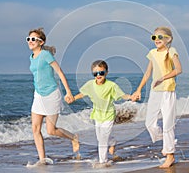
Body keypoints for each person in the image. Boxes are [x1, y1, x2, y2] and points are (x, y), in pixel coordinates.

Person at [26, 28, 79, 164]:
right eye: (29, 39)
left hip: (51, 95)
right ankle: (42, 159)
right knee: (35, 129)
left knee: (51, 130)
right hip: (38, 95)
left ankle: (73, 137)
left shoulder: (45, 55)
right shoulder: (31, 57)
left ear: (41, 42)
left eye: (33, 39)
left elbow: (60, 73)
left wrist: (68, 92)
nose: (30, 41)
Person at [132, 26, 182, 168]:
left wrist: (162, 78)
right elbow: (147, 73)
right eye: (154, 37)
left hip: (167, 91)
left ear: (168, 39)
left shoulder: (171, 51)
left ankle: (170, 154)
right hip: (155, 92)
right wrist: (138, 90)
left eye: (160, 37)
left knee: (168, 124)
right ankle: (168, 143)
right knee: (149, 123)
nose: (156, 40)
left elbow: (179, 69)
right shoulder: (152, 53)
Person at [67, 60, 132, 166]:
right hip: (97, 115)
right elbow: (82, 93)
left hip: (109, 115)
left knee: (102, 139)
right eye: (95, 73)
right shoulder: (90, 84)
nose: (98, 75)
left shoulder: (111, 86)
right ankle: (112, 142)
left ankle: (103, 161)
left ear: (106, 72)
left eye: (101, 73)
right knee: (100, 138)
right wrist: (73, 98)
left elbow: (121, 95)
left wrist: (131, 97)